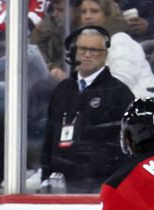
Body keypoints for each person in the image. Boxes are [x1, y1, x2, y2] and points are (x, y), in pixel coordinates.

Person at [39, 26, 133, 193]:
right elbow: (50, 137)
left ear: (105, 55)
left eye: (94, 50)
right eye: (82, 49)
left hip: (99, 185)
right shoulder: (62, 89)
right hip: (61, 183)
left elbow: (125, 147)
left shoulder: (119, 92)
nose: (87, 54)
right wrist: (45, 177)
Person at [75, 0, 154, 99]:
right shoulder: (83, 44)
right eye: (83, 12)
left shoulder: (120, 40)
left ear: (108, 15)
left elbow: (122, 82)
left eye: (94, 11)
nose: (87, 16)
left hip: (137, 105)